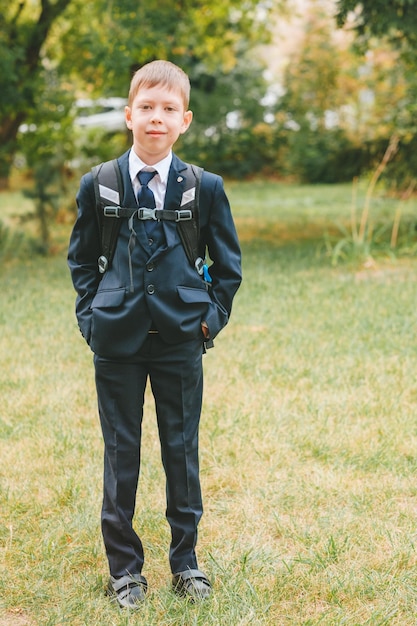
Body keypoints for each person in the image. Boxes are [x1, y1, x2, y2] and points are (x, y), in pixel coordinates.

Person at [67, 60, 242, 609]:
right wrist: (91, 318)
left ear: (184, 120)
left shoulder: (204, 188)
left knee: (180, 450)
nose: (156, 119)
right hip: (115, 340)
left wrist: (208, 318)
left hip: (180, 339)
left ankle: (186, 563)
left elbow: (228, 265)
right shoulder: (100, 184)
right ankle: (124, 570)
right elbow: (81, 260)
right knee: (121, 453)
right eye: (146, 108)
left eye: (168, 110)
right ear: (128, 115)